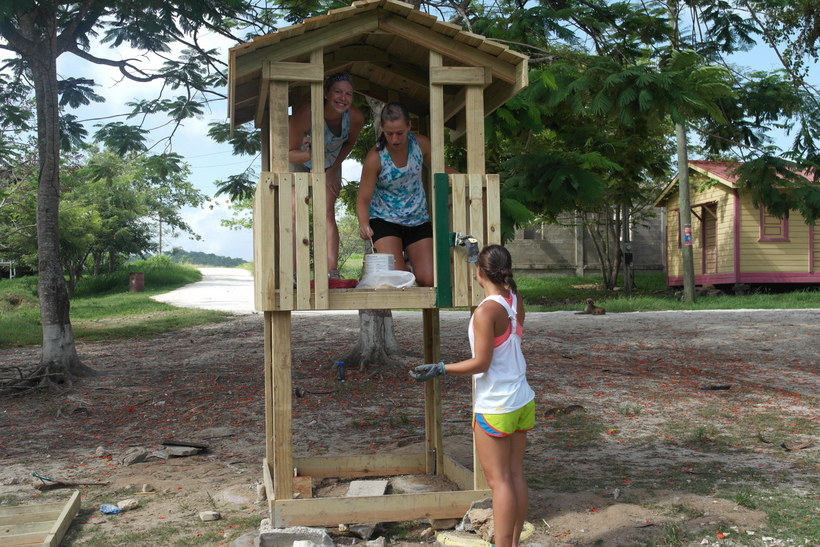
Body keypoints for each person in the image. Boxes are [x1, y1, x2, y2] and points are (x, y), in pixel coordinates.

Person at [409, 245, 535, 547]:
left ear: (479, 272)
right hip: (521, 398)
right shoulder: (514, 300)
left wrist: (440, 368)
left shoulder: (485, 311)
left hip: (496, 404)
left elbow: (481, 363)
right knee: (515, 475)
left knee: (499, 482)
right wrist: (475, 257)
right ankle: (513, 543)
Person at [357, 102, 454, 287]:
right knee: (398, 280)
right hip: (384, 220)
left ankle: (412, 264)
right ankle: (406, 268)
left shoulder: (421, 144)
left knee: (431, 279)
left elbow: (441, 170)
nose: (394, 139)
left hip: (418, 220)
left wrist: (465, 179)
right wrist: (363, 224)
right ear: (383, 130)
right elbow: (362, 200)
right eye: (389, 133)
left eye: (399, 133)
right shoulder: (375, 157)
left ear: (409, 126)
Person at [289, 73, 364, 279]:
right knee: (296, 213)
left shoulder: (355, 117)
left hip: (331, 162)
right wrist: (308, 154)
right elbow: (288, 151)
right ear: (325, 93)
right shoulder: (307, 112)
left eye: (348, 94)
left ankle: (331, 272)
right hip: (300, 160)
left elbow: (349, 143)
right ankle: (296, 273)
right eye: (338, 92)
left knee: (327, 213)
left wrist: (331, 171)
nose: (343, 98)